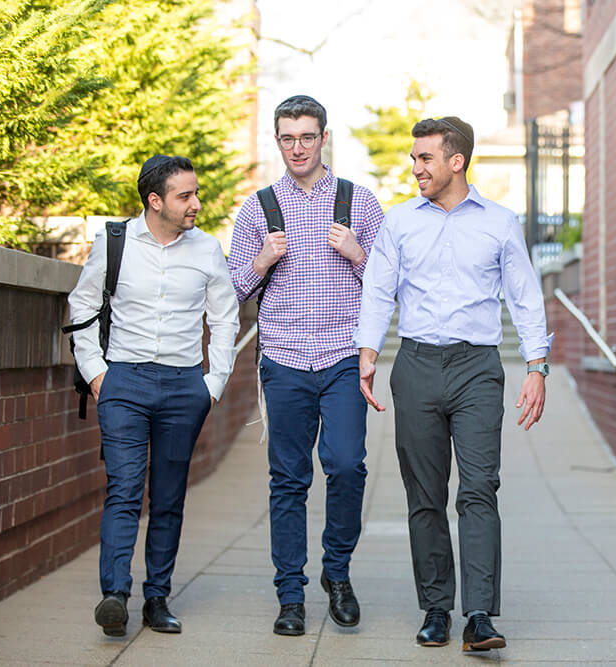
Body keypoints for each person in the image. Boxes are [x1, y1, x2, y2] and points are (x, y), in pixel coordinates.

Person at [354, 117, 553, 652]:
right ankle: (436, 609)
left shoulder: (500, 222)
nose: (415, 167)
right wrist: (368, 353)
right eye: (414, 158)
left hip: (477, 370)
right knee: (424, 495)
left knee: (479, 489)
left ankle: (481, 615)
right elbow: (377, 290)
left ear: (456, 161)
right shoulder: (398, 223)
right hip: (416, 366)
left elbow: (525, 296)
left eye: (425, 158)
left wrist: (536, 367)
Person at [228, 95, 384, 636]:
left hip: (343, 358)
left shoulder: (359, 205)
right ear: (278, 142)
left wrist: (358, 255)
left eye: (307, 136)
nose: (298, 147)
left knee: (346, 465)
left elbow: (391, 292)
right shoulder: (258, 209)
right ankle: (289, 595)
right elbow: (233, 291)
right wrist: (261, 260)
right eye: (288, 138)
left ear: (324, 139)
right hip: (285, 362)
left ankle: (336, 573)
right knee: (288, 480)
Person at [68, 155, 240, 637]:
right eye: (185, 196)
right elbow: (81, 303)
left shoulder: (207, 249)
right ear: (155, 200)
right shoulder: (115, 242)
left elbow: (225, 317)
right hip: (123, 382)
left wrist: (214, 382)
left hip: (185, 387)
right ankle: (115, 595)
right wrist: (96, 372)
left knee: (168, 497)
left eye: (196, 193)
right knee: (123, 489)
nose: (196, 204)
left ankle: (157, 598)